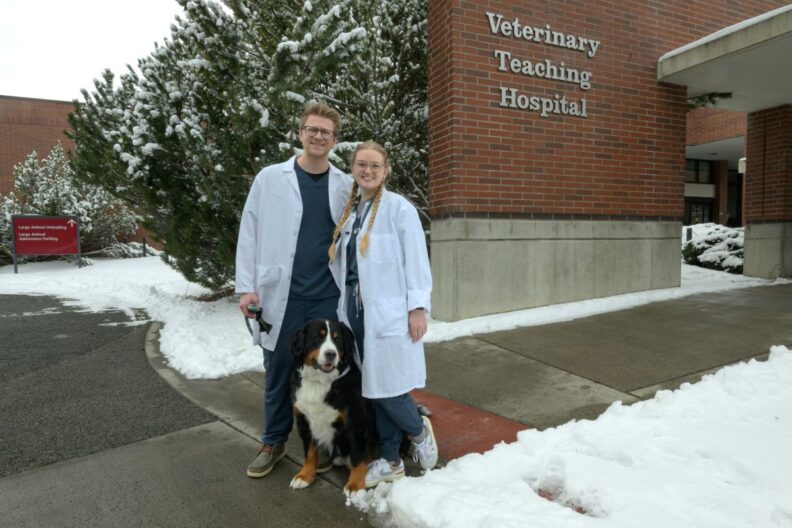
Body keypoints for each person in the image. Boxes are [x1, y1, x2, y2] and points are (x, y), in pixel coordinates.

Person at [235, 102, 353, 478]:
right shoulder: (270, 178)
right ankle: (273, 440)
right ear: (299, 133)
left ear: (335, 140)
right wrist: (246, 288)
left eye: (326, 132)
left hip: (326, 297)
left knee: (326, 375)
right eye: (311, 129)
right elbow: (249, 232)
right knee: (279, 370)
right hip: (279, 297)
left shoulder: (346, 185)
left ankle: (323, 445)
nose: (318, 137)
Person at [328, 141, 438, 488]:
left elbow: (416, 261)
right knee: (374, 388)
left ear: (386, 170)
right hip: (356, 314)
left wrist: (417, 307)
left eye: (375, 165)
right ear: (353, 168)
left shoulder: (399, 209)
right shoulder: (351, 212)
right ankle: (390, 460)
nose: (368, 171)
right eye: (362, 164)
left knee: (389, 389)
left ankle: (418, 433)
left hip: (388, 314)